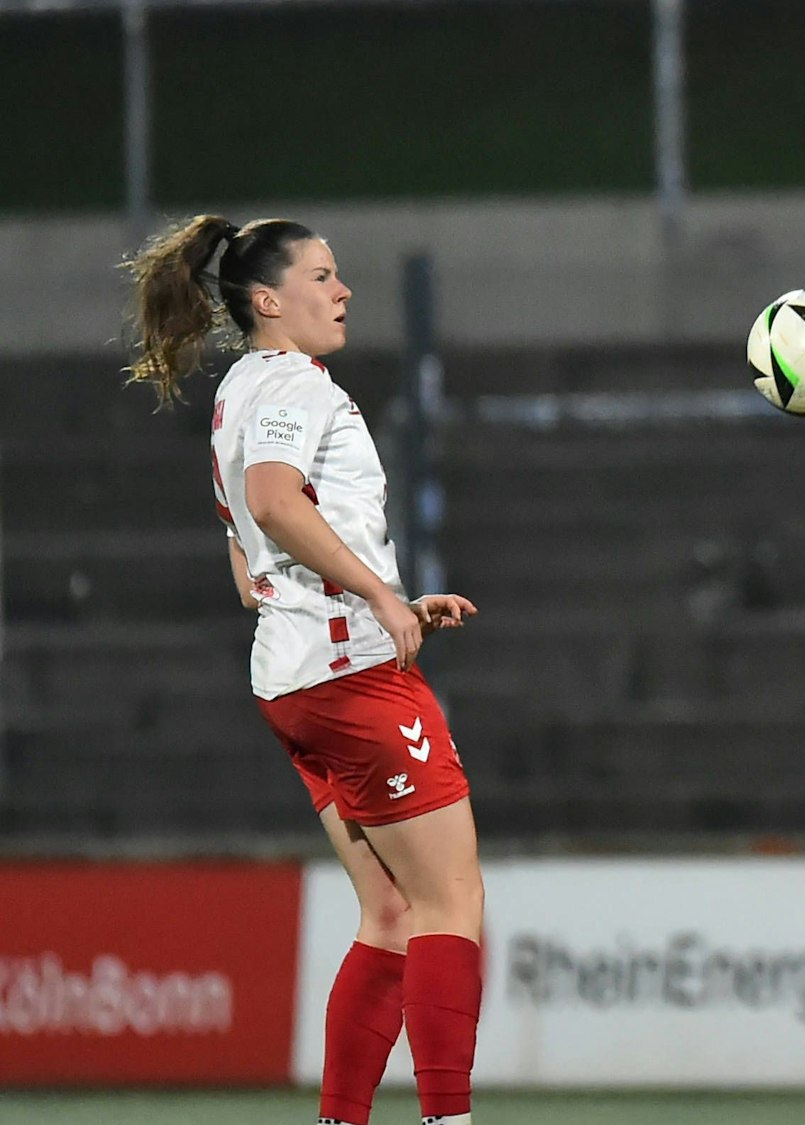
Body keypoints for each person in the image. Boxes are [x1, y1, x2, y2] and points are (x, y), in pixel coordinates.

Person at [124, 216, 484, 1125]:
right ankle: (449, 1118)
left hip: (293, 682)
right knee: (451, 901)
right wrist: (384, 599)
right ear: (267, 301)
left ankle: (340, 1119)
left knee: (391, 913)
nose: (343, 290)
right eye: (323, 277)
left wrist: (386, 598)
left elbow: (249, 567)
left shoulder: (240, 391)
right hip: (351, 676)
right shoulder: (293, 384)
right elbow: (272, 502)